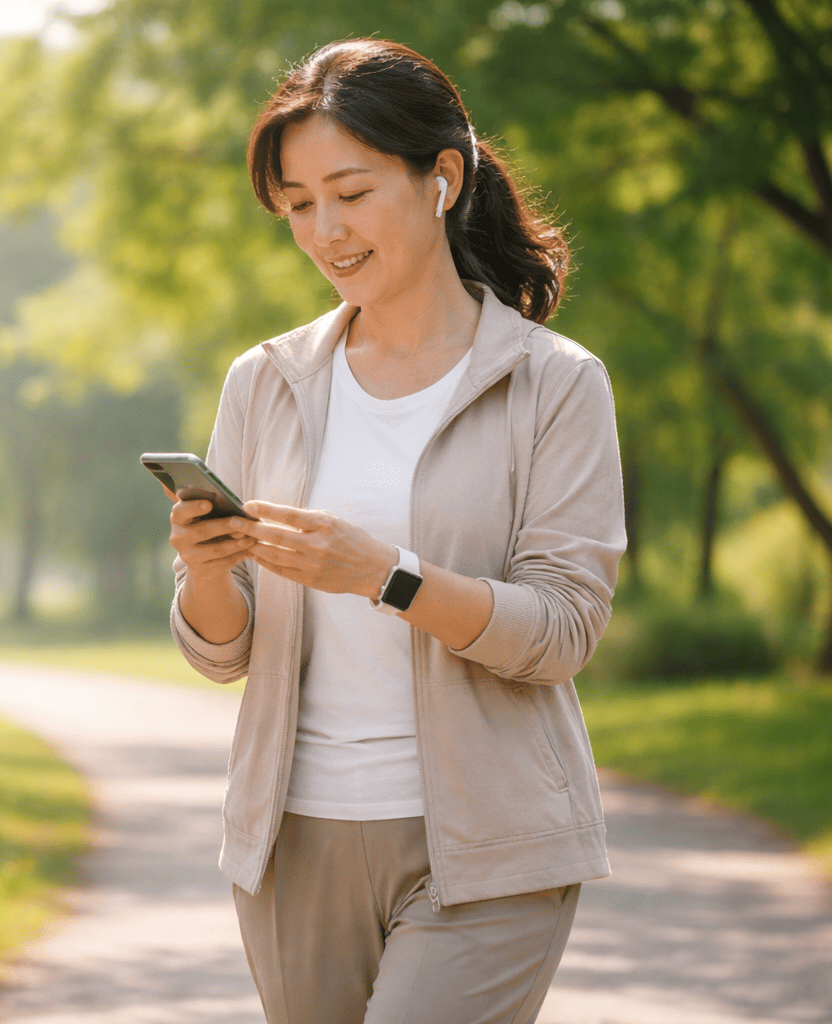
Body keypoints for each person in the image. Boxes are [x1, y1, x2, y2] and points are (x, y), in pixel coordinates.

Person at [165, 39, 626, 1024]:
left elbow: (561, 632)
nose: (325, 231)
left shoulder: (555, 383)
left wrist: (389, 576)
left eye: (352, 191)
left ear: (441, 180)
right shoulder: (267, 381)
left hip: (490, 847)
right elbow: (224, 651)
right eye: (297, 204)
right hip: (293, 841)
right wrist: (205, 575)